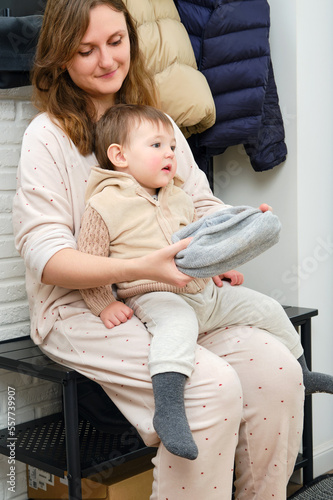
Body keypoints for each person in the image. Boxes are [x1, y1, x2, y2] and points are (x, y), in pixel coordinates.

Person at [12, 0, 305, 498]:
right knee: (209, 388)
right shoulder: (49, 136)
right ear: (61, 58)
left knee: (277, 372)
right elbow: (46, 256)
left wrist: (230, 237)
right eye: (86, 50)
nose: (106, 60)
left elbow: (200, 204)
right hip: (84, 308)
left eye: (116, 42)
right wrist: (140, 267)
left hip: (179, 295)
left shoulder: (159, 121)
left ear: (132, 37)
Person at [79, 103, 333, 461]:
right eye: (156, 146)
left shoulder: (180, 197)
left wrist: (218, 265)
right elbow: (89, 259)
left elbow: (197, 245)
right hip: (153, 294)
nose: (169, 153)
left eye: (171, 146)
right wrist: (103, 303)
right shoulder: (104, 204)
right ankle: (168, 411)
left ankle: (302, 372)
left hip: (203, 292)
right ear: (119, 156)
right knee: (176, 328)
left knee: (267, 307)